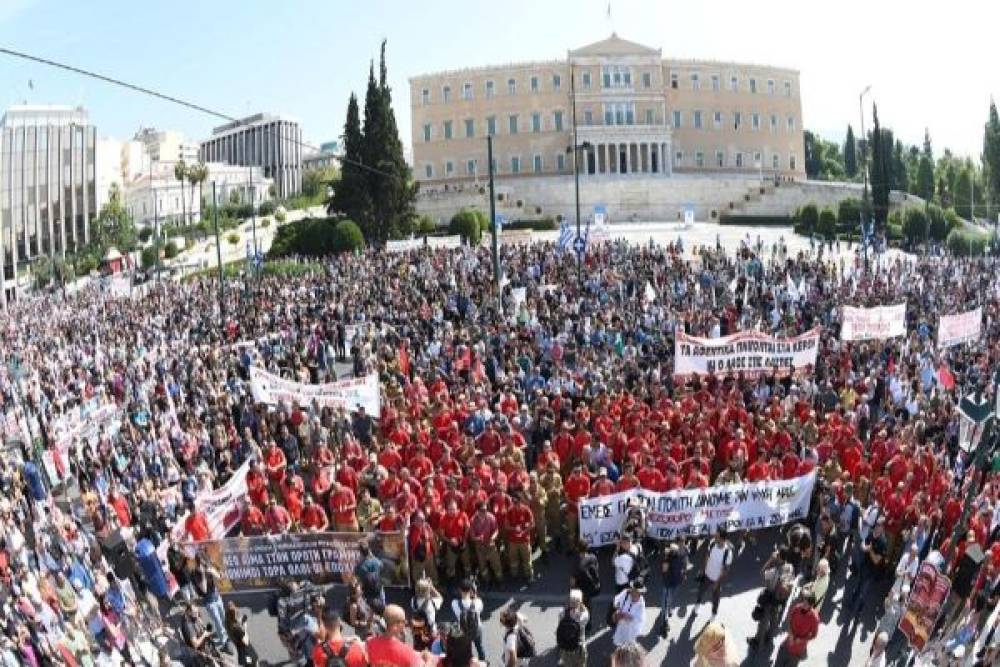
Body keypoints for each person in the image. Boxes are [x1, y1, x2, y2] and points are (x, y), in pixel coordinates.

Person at [775, 591, 820, 667]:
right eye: (803, 602)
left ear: (811, 605)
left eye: (806, 604)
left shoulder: (814, 618)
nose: (803, 605)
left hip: (797, 649)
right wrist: (790, 633)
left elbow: (814, 635)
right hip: (787, 643)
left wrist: (801, 639)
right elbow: (790, 620)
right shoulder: (797, 608)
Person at [697, 528, 734, 618]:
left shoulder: (727, 553)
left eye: (717, 536)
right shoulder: (713, 543)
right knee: (701, 590)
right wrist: (703, 569)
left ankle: (714, 613)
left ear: (722, 539)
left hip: (716, 579)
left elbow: (726, 570)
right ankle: (697, 604)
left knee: (716, 598)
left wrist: (717, 583)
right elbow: (707, 555)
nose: (714, 537)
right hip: (706, 575)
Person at [659, 540, 688, 637]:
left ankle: (666, 615)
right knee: (667, 601)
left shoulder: (674, 557)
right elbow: (664, 570)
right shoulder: (673, 557)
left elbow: (665, 570)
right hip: (671, 584)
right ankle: (665, 617)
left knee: (667, 600)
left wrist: (684, 573)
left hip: (672, 583)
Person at [451, 579, 485, 661]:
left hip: (463, 630)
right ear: (471, 590)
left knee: (466, 649)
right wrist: (475, 594)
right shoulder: (478, 602)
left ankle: (469, 662)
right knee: (479, 646)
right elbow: (480, 609)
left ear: (460, 590)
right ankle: (482, 661)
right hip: (477, 629)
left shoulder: (454, 603)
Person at [555, 589, 589, 667]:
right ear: (580, 601)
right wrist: (583, 608)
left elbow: (560, 624)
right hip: (579, 645)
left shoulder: (562, 612)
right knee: (581, 663)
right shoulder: (584, 614)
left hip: (565, 644)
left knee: (567, 663)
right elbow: (585, 623)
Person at [611, 580, 646, 647]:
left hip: (630, 631)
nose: (633, 593)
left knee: (628, 649)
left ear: (640, 593)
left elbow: (640, 620)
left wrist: (630, 617)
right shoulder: (626, 593)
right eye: (633, 590)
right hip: (620, 627)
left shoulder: (641, 604)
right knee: (619, 646)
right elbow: (616, 601)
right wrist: (618, 611)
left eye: (636, 592)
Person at [225, 601, 258, 666]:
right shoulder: (238, 629)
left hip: (239, 648)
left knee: (247, 663)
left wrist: (241, 623)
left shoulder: (227, 623)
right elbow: (245, 641)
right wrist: (245, 628)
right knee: (253, 661)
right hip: (246, 649)